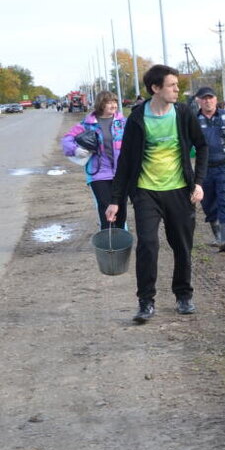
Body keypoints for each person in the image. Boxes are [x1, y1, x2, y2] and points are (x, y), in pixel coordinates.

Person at [106, 65, 208, 323]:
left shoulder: (183, 113)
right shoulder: (138, 118)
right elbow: (126, 162)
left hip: (179, 192)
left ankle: (183, 295)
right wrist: (115, 201)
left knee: (182, 246)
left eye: (176, 85)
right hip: (145, 192)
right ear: (156, 88)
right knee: (148, 245)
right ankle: (146, 302)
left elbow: (202, 146)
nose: (177, 89)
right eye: (172, 85)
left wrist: (198, 182)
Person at [62, 91, 126, 230]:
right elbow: (66, 139)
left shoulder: (123, 123)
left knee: (120, 210)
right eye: (109, 102)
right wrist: (76, 150)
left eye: (115, 102)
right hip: (99, 174)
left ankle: (120, 243)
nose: (113, 105)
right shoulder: (87, 124)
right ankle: (107, 244)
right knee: (105, 208)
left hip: (121, 173)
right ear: (101, 104)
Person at [194, 86, 225, 252]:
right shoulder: (193, 120)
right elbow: (185, 143)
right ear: (198, 101)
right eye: (204, 98)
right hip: (203, 169)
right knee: (208, 203)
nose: (208, 101)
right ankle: (218, 236)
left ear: (216, 99)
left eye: (211, 98)